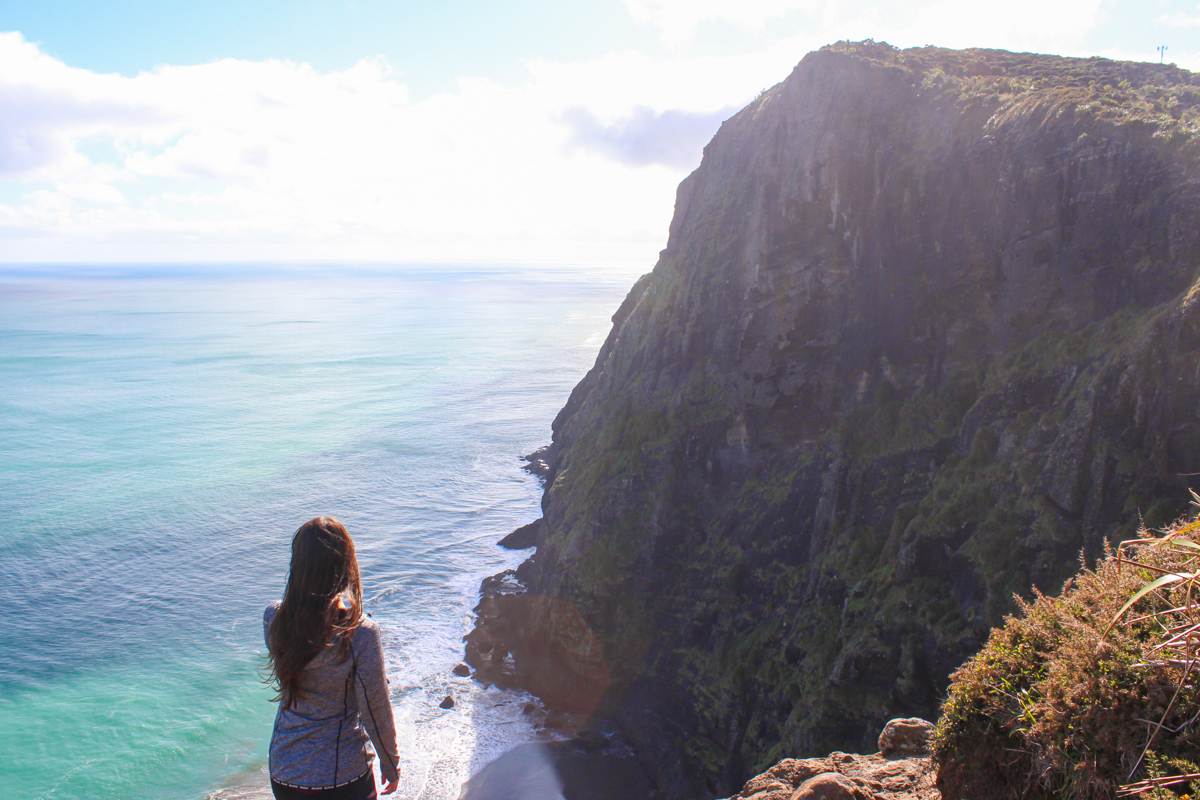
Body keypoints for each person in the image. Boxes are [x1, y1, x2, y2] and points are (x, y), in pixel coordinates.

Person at [264, 517, 401, 799]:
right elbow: (375, 707)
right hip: (340, 775)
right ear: (344, 566)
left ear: (297, 565)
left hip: (284, 769)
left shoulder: (274, 619)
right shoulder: (358, 633)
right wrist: (390, 761)